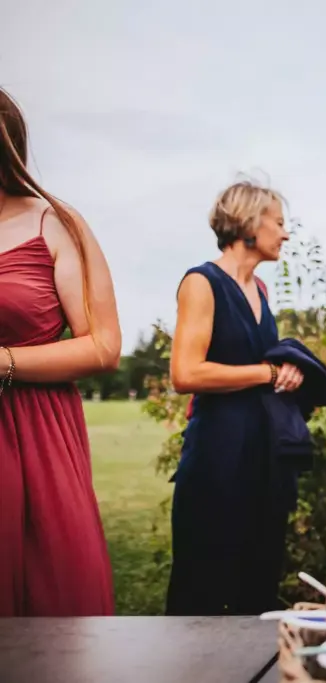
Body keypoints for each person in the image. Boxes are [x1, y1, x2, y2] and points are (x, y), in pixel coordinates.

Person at [0, 87, 121, 616]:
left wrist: (4, 363)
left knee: (52, 601)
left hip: (32, 433)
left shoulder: (53, 221)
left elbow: (103, 345)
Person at [167, 180, 309, 615]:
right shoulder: (202, 282)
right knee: (202, 586)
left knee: (259, 582)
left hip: (264, 453)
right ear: (250, 221)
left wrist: (289, 369)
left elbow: (258, 367)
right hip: (218, 454)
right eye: (280, 223)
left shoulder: (261, 289)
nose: (286, 234)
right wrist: (267, 372)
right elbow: (185, 372)